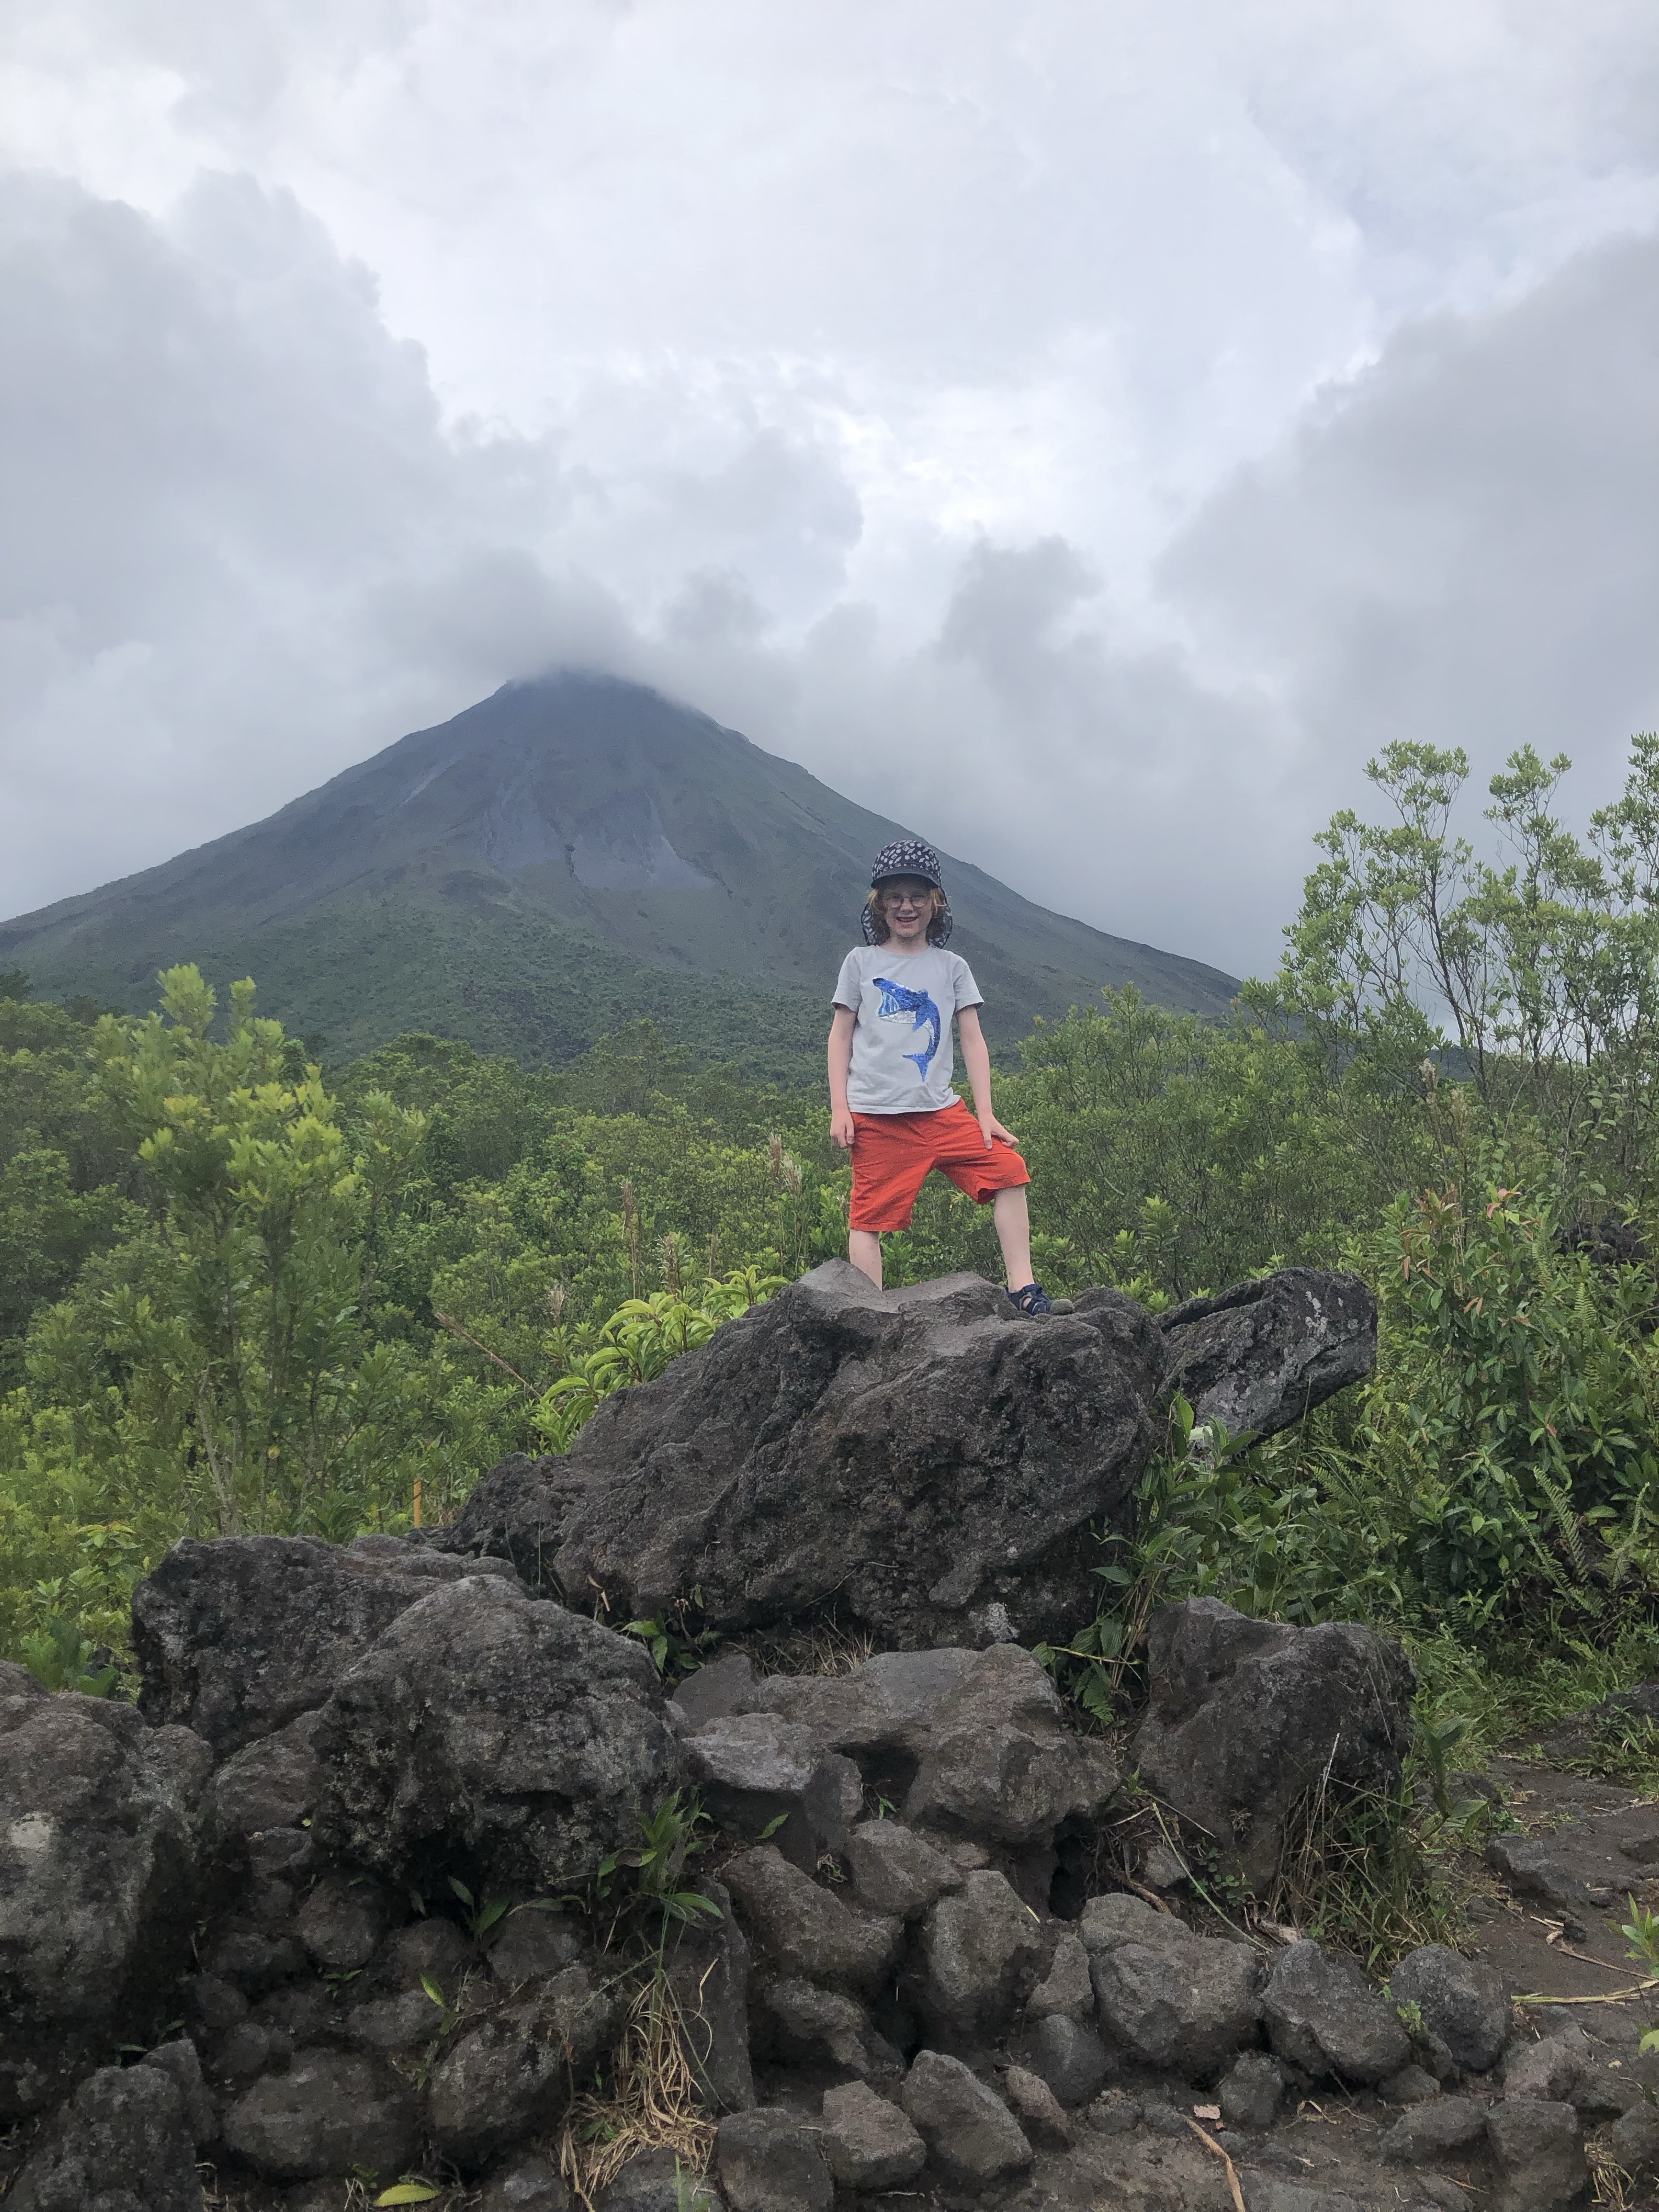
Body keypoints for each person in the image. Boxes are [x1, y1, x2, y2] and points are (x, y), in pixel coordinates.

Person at [828, 837, 1062, 1314]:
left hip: (941, 1112)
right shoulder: (861, 962)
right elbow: (840, 1036)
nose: (906, 906)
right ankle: (870, 1319)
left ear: (936, 903)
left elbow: (974, 1040)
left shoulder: (952, 967)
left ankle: (1023, 1290)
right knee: (867, 1218)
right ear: (880, 905)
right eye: (894, 897)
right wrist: (839, 1108)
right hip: (877, 1117)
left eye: (917, 896)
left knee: (1008, 1171)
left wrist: (987, 1114)